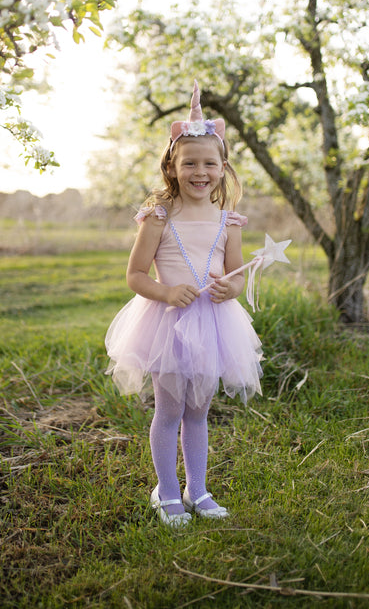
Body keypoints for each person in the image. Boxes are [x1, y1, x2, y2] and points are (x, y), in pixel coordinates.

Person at [105, 81, 263, 527]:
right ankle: (167, 492)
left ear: (222, 167)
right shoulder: (158, 216)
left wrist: (228, 290)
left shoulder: (228, 221)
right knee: (170, 408)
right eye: (189, 162)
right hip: (167, 324)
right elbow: (135, 275)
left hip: (214, 324)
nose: (200, 171)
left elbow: (236, 276)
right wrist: (167, 292)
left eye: (209, 163)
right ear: (172, 167)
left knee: (200, 410)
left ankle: (199, 489)